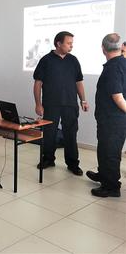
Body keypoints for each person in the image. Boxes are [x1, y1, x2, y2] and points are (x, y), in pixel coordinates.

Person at [33, 31, 88, 176]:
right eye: (69, 43)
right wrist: (38, 104)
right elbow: (38, 83)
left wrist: (83, 100)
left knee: (70, 133)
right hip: (51, 104)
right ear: (59, 43)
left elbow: (79, 82)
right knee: (49, 133)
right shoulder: (46, 60)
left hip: (70, 104)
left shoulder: (73, 60)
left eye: (72, 43)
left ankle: (72, 163)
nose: (71, 46)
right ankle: (48, 159)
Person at [86, 33, 126, 197]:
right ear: (121, 47)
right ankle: (104, 175)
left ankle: (111, 187)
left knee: (110, 152)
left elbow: (118, 97)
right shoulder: (123, 63)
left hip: (113, 120)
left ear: (103, 49)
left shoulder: (112, 68)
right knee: (104, 148)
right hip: (109, 119)